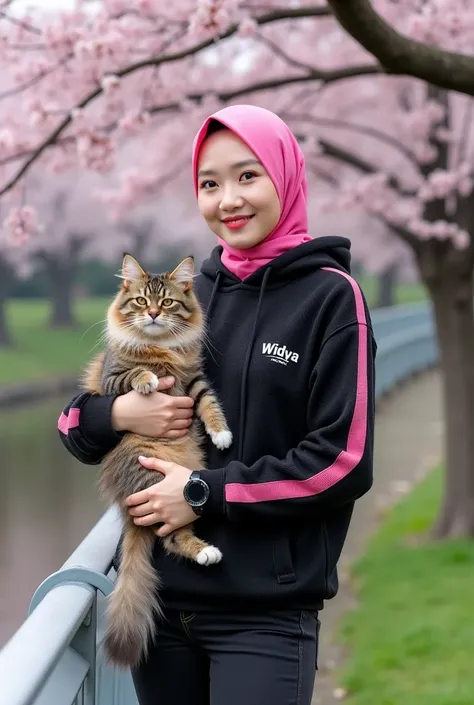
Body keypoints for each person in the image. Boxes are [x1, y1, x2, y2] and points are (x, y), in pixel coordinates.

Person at [58, 104, 376, 705]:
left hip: (265, 613)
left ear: (285, 177)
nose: (228, 198)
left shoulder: (332, 299)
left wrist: (205, 491)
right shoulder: (184, 295)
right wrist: (121, 414)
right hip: (165, 605)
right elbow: (72, 426)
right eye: (210, 184)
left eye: (248, 176)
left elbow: (343, 461)